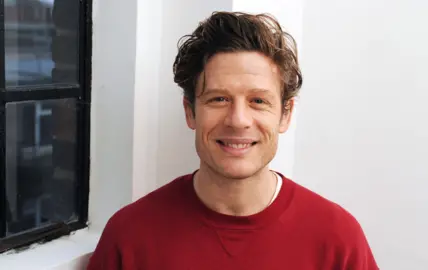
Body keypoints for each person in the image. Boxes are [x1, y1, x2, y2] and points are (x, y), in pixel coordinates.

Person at [87, 11, 379, 270]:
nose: (238, 119)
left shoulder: (337, 239)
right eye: (219, 98)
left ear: (285, 115)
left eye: (258, 101)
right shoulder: (129, 236)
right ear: (190, 112)